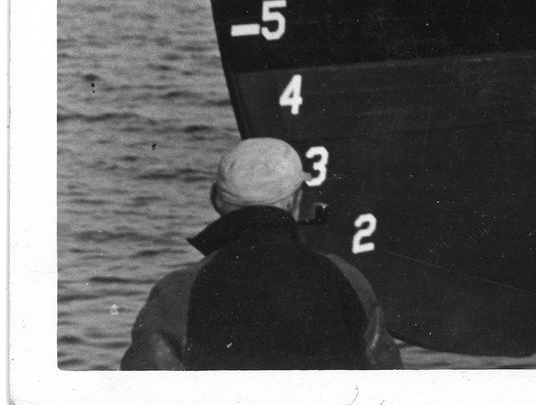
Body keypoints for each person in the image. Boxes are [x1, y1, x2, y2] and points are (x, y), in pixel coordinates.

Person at [121, 137, 402, 370]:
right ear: (295, 202)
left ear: (216, 200)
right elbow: (391, 384)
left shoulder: (177, 292)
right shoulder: (348, 281)